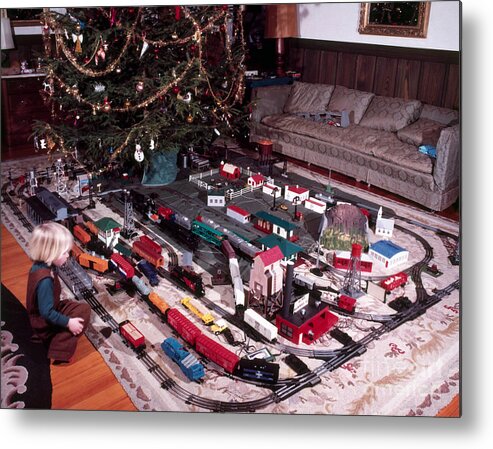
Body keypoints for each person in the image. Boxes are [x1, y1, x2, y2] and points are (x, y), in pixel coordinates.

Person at [26, 222, 91, 364]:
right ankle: (59, 350)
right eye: (64, 253)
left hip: (48, 309)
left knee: (83, 308)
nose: (68, 255)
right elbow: (46, 313)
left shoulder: (41, 265)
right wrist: (68, 322)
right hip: (42, 322)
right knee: (81, 318)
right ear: (51, 253)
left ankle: (54, 335)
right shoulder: (45, 281)